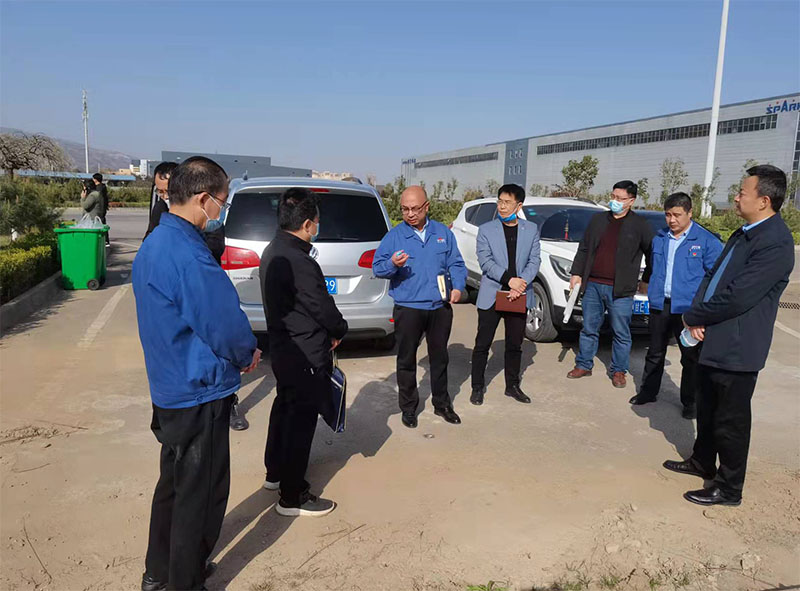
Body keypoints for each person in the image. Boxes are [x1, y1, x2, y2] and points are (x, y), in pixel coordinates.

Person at [133, 156, 260, 590]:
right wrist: (245, 353)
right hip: (198, 389)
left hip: (169, 384)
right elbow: (222, 322)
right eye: (222, 202)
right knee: (199, 495)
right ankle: (184, 581)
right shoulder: (189, 254)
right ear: (203, 199)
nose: (220, 212)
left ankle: (158, 572)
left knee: (173, 486)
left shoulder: (156, 241)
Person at [663, 165, 795, 506]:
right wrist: (696, 314)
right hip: (711, 337)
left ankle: (729, 487)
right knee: (707, 408)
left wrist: (693, 316)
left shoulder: (775, 243)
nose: (735, 198)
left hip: (738, 346)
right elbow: (712, 278)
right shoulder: (743, 233)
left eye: (742, 193)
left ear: (764, 201)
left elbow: (739, 296)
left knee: (731, 420)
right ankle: (702, 460)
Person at [259, 187, 348, 517]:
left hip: (285, 348)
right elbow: (321, 306)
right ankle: (292, 495)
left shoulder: (274, 249)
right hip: (305, 353)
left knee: (284, 410)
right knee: (300, 422)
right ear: (308, 224)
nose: (317, 228)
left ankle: (275, 472)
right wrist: (339, 330)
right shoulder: (299, 260)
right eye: (317, 222)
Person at [372, 185, 467, 428]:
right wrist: (392, 264)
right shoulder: (394, 236)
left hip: (439, 307)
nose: (410, 214)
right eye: (405, 209)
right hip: (408, 307)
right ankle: (408, 408)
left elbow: (456, 263)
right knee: (406, 359)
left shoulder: (443, 233)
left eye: (415, 208)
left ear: (426, 207)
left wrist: (457, 287)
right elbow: (377, 267)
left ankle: (442, 404)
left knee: (440, 358)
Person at [630, 192, 722, 418]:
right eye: (668, 215)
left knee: (690, 357)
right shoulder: (660, 238)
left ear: (690, 213)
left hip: (688, 309)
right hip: (660, 305)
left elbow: (716, 278)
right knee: (655, 351)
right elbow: (652, 267)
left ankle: (691, 402)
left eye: (677, 215)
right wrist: (647, 286)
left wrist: (704, 311)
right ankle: (648, 392)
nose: (672, 220)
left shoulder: (706, 241)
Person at [566, 180, 653, 388]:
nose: (615, 201)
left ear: (631, 201)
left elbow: (653, 254)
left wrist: (646, 279)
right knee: (589, 328)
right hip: (593, 285)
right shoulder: (598, 220)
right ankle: (584, 364)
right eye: (613, 196)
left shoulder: (640, 225)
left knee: (621, 332)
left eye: (620, 198)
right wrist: (577, 273)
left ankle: (619, 370)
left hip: (621, 289)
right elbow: (584, 248)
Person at [470, 183, 541, 405]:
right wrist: (509, 280)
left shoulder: (531, 229)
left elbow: (534, 261)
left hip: (518, 295)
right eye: (500, 201)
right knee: (482, 343)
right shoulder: (486, 230)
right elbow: (485, 261)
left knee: (514, 344)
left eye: (507, 202)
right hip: (493, 292)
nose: (501, 206)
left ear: (519, 206)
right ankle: (477, 387)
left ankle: (512, 386)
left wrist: (520, 284)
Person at [143, 162, 178, 239]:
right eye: (160, 192)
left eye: (169, 192)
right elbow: (150, 234)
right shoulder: (160, 207)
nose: (165, 197)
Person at [93, 173, 110, 245]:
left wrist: (102, 210)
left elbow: (101, 200)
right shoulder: (102, 187)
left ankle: (105, 240)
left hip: (100, 209)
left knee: (101, 224)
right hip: (102, 209)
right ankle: (104, 240)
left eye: (93, 178)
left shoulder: (99, 188)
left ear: (96, 179)